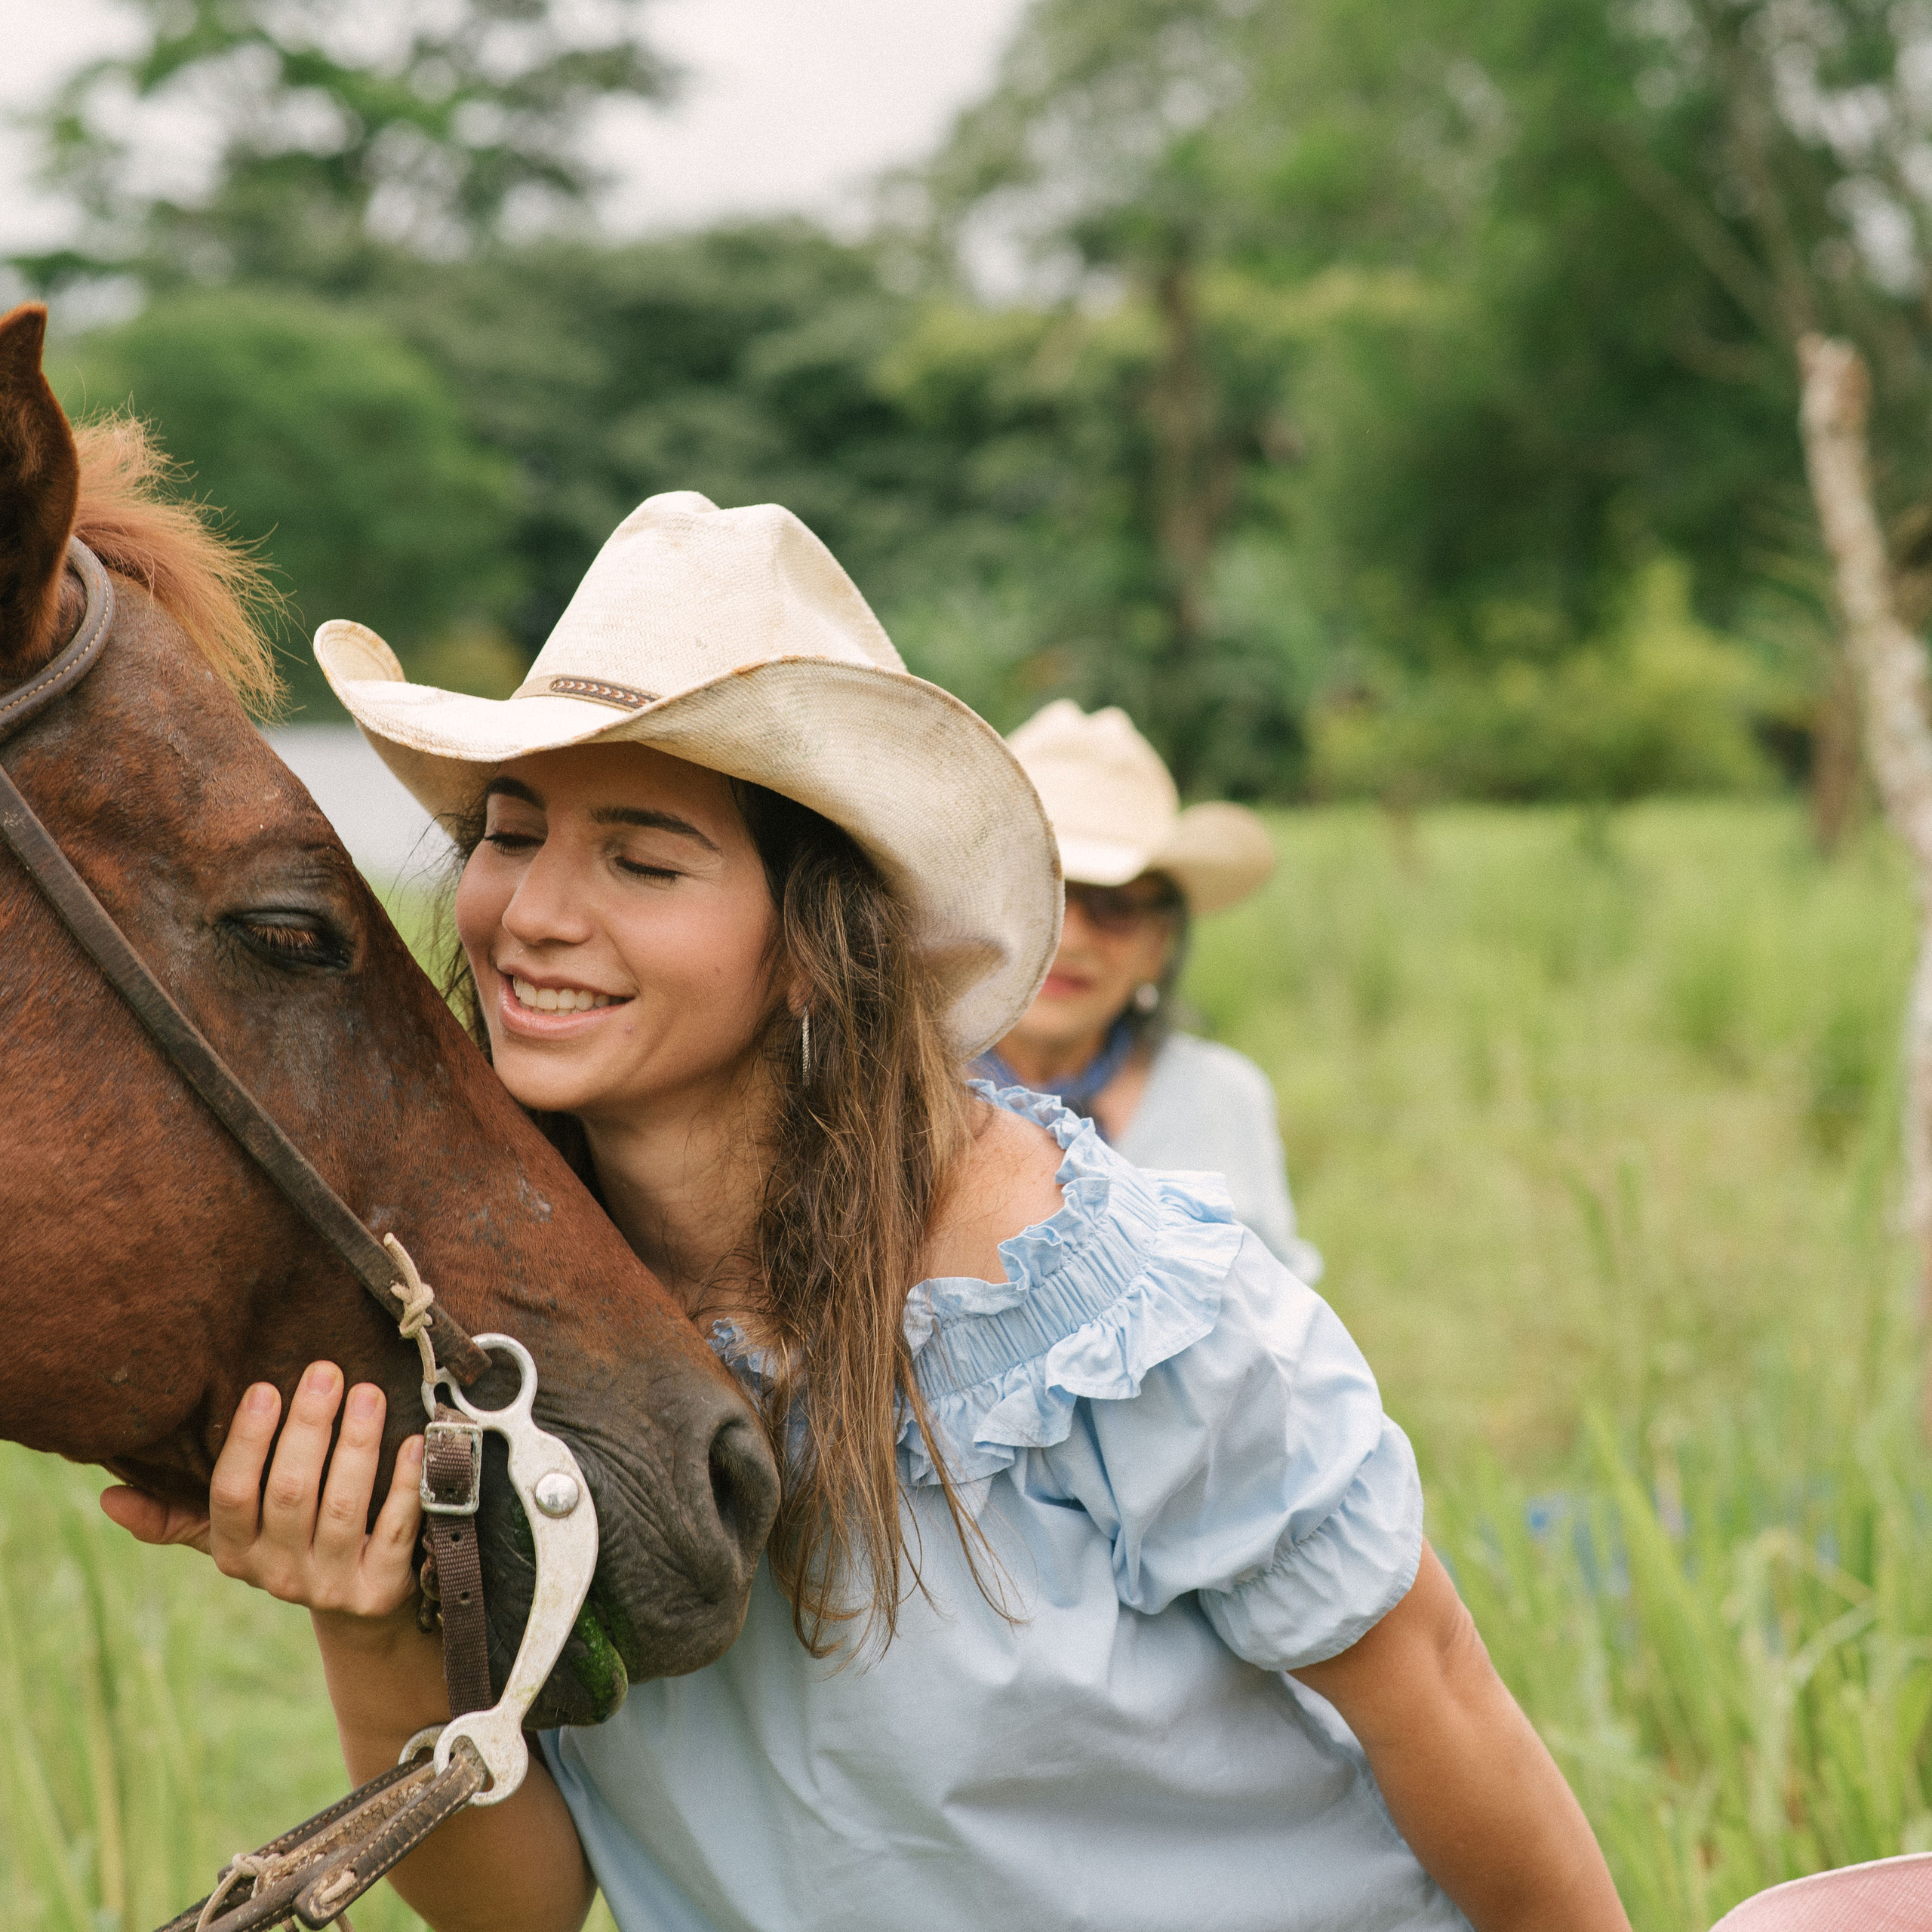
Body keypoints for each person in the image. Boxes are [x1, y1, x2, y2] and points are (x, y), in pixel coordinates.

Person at [101, 491, 1629, 1932]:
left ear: (815, 935)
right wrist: (373, 1625)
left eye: (641, 855)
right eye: (509, 830)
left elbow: (1428, 1687)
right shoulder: (485, 1336)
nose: (533, 910)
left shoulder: (1101, 1306)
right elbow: (525, 1904)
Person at [978, 700, 1323, 1281]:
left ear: (1156, 948)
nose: (1071, 939)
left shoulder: (1222, 1097)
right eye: (1041, 894)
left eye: (1113, 908)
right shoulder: (889, 1093)